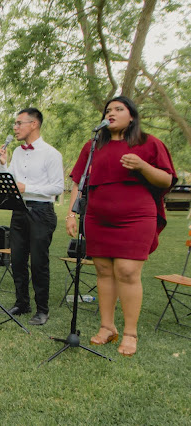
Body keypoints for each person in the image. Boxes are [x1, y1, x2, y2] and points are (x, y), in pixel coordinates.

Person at [67, 96, 176, 356]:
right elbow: (78, 182)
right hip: (97, 217)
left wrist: (142, 166)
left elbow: (166, 179)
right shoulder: (92, 146)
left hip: (136, 217)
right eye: (108, 110)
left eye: (119, 109)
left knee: (127, 271)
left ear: (132, 116)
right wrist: (71, 214)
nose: (111, 113)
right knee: (104, 271)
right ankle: (107, 327)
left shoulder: (148, 144)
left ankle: (130, 333)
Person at [0, 108, 64, 325]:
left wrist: (28, 187)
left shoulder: (51, 154)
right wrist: (4, 164)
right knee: (16, 259)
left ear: (33, 124)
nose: (15, 128)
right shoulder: (16, 152)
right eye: (14, 124)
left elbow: (58, 187)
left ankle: (42, 309)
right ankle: (22, 302)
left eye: (19, 123)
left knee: (38, 262)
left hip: (41, 212)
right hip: (19, 211)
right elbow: (11, 182)